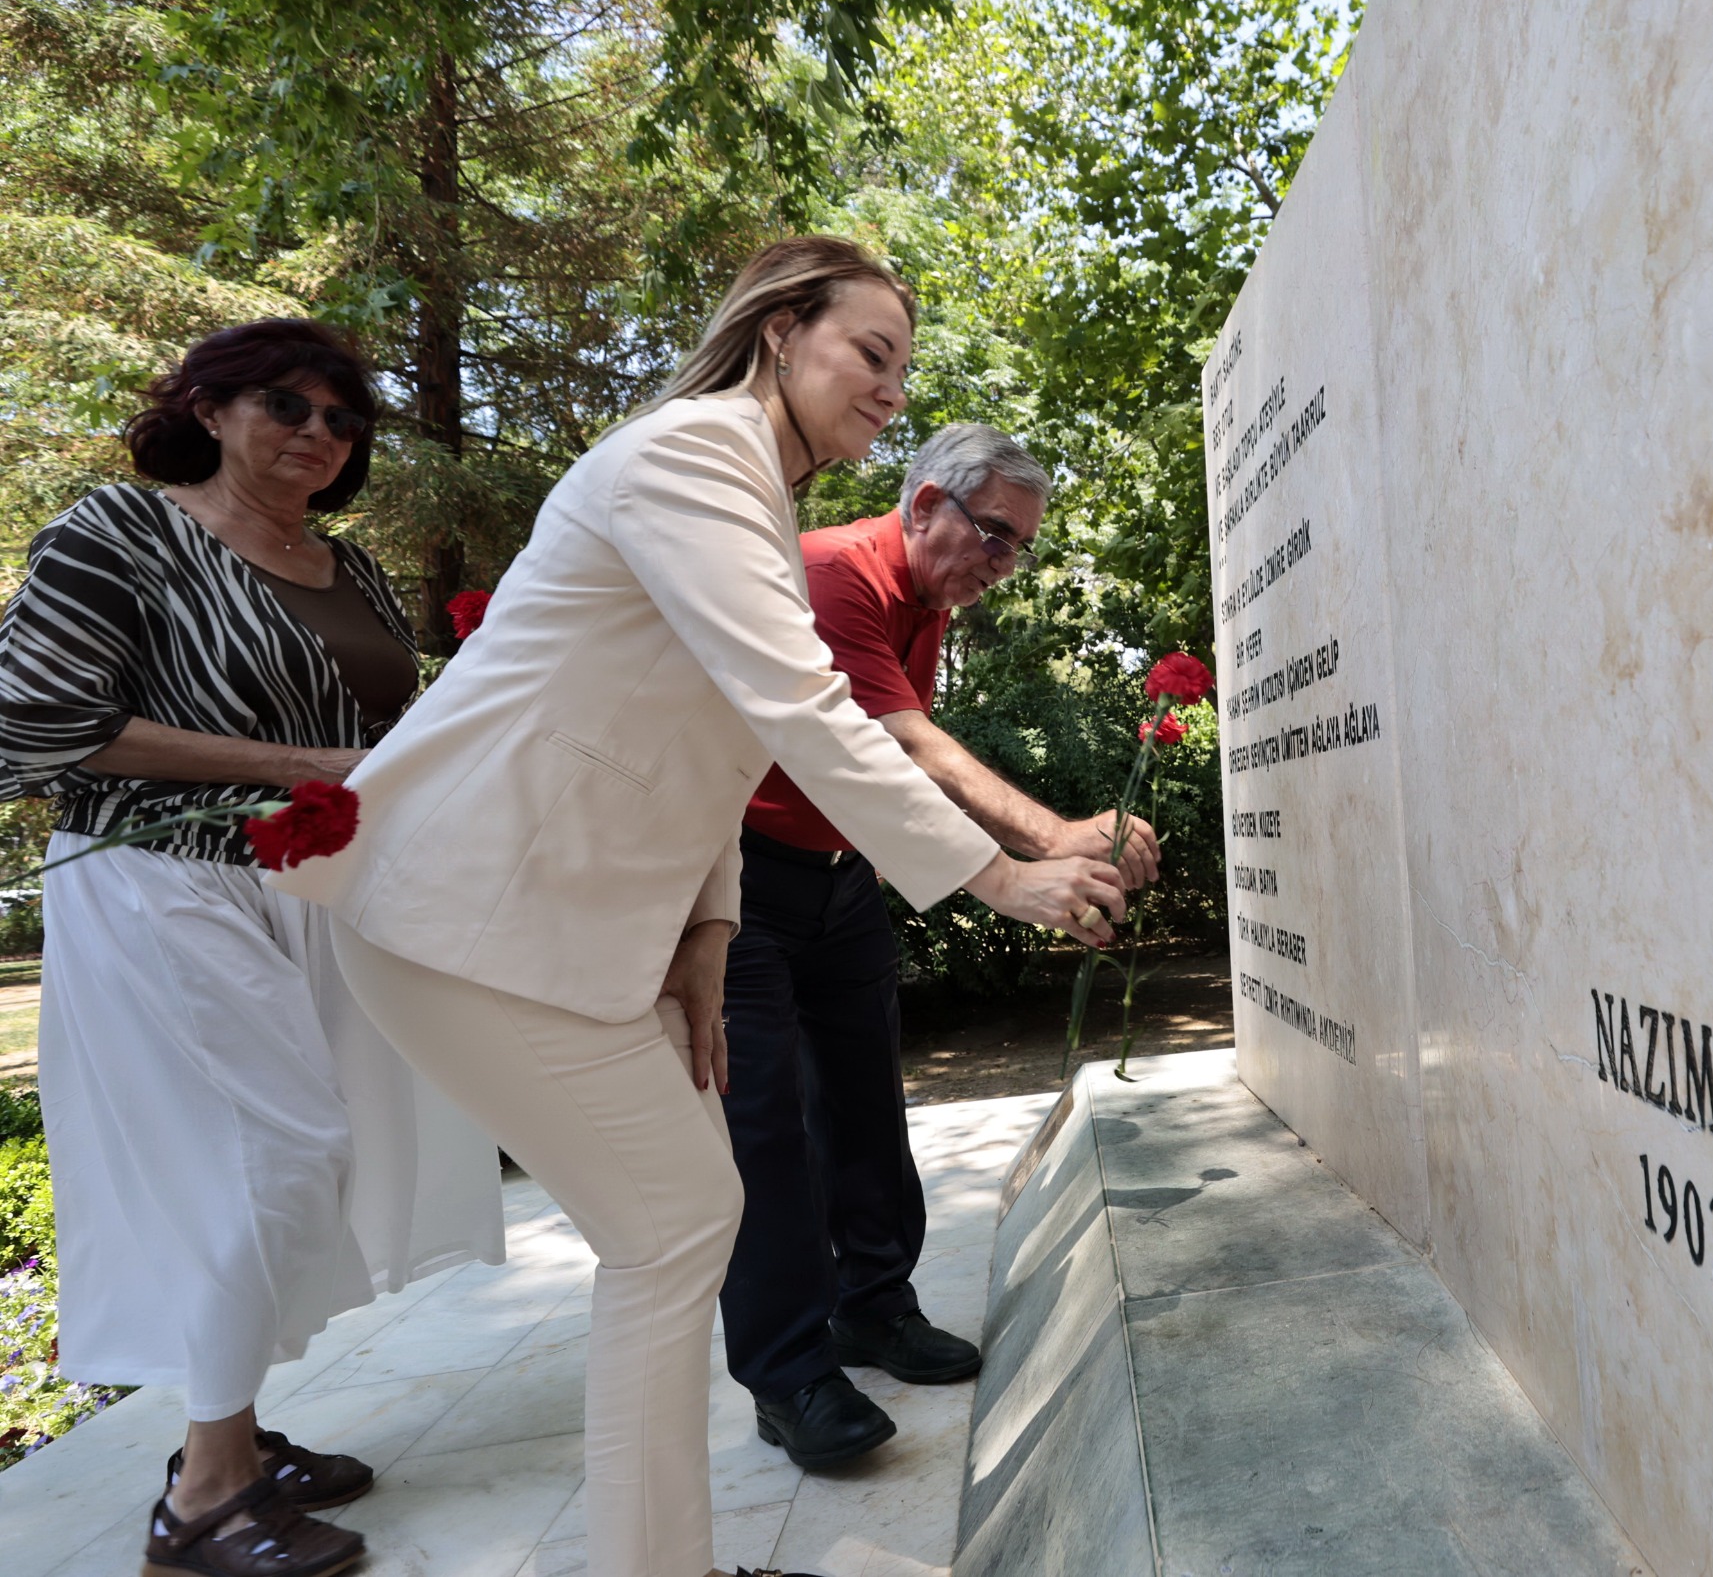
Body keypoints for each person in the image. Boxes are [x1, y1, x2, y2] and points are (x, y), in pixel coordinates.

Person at [275, 237, 1127, 1577]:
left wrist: (707, 927)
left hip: (564, 925)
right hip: (460, 908)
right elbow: (803, 706)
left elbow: (731, 734)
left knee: (675, 1225)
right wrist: (1000, 873)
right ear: (783, 330)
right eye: (873, 352)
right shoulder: (688, 455)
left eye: (905, 367)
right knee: (679, 1220)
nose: (892, 389)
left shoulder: (742, 489)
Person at [0, 318, 503, 1577]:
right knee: (268, 1156)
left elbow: (399, 731)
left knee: (311, 1166)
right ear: (212, 407)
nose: (319, 436)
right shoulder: (121, 531)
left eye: (344, 421)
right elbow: (38, 718)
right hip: (163, 883)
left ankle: (228, 1430)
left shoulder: (353, 570)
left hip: (312, 889)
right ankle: (203, 1508)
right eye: (288, 405)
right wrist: (294, 762)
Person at [719, 422, 1162, 1467]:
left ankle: (873, 1307)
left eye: (1018, 549)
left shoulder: (923, 601)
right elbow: (903, 740)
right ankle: (790, 1379)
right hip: (736, 884)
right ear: (924, 503)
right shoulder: (830, 573)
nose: (1002, 566)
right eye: (994, 537)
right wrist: (1050, 836)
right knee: (764, 1128)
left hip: (840, 880)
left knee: (867, 1101)